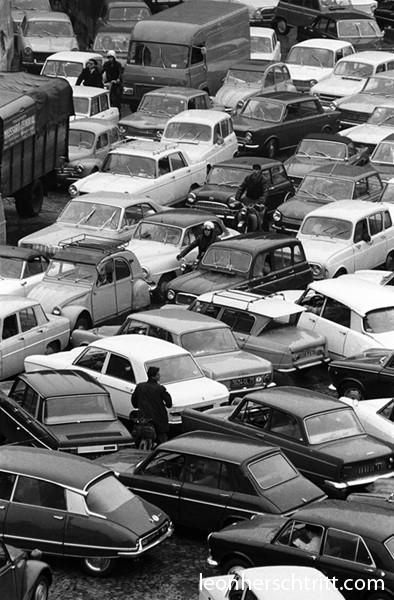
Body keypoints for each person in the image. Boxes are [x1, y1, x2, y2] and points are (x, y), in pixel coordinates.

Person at [131, 366, 172, 444]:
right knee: (162, 442)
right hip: (159, 421)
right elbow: (169, 403)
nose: (159, 376)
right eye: (158, 374)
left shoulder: (140, 387)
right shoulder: (160, 389)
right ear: (154, 376)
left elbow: (134, 402)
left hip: (143, 420)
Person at [235, 163, 268, 230]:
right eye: (254, 170)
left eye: (257, 170)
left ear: (260, 171)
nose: (255, 171)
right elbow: (242, 187)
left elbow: (265, 191)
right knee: (239, 212)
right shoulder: (248, 178)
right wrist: (238, 197)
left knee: (259, 215)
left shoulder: (263, 180)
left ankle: (259, 228)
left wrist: (261, 201)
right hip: (248, 199)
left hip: (257, 200)